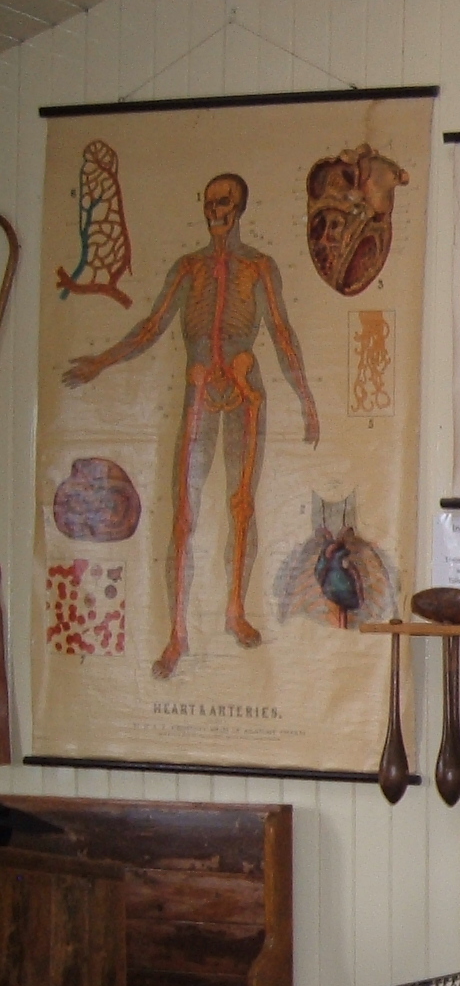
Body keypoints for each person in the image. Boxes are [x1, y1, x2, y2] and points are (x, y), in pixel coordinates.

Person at [64, 172, 319, 679]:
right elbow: (151, 326)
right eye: (209, 203)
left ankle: (234, 611)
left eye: (224, 202)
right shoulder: (188, 268)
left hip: (245, 390)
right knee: (184, 512)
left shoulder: (258, 267)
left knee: (241, 506)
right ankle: (177, 632)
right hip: (200, 390)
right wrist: (101, 361)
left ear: (239, 207)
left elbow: (281, 332)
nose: (214, 211)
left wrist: (306, 399)